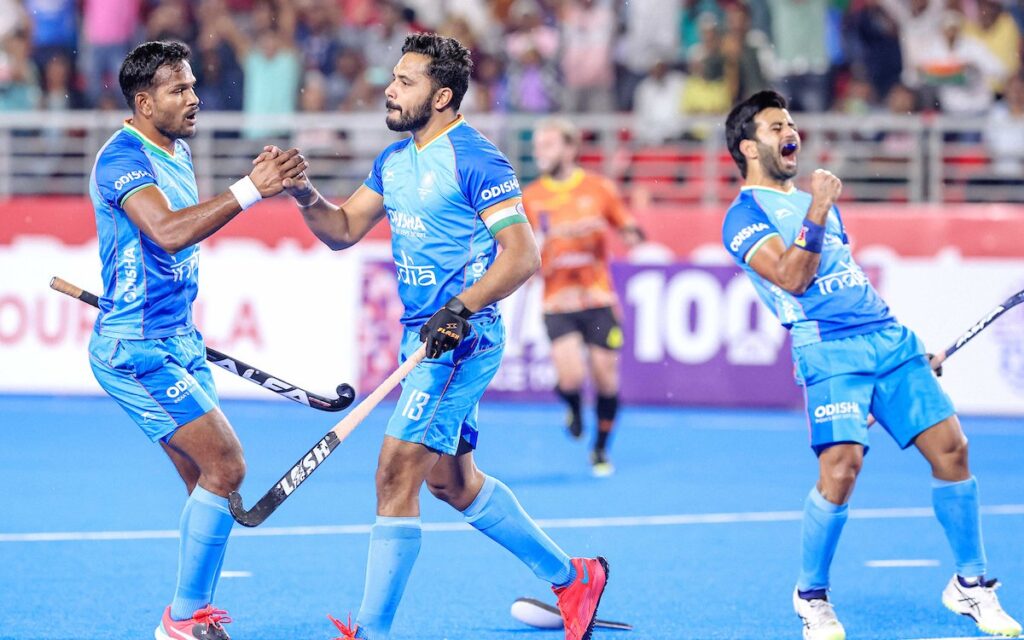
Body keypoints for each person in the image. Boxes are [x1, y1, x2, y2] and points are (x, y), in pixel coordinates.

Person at [257, 33, 609, 640]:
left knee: (396, 471)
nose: (390, 90)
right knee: (452, 482)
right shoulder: (394, 161)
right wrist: (303, 193)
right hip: (421, 338)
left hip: (461, 341)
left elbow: (522, 255)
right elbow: (342, 229)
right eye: (393, 78)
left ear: (442, 96)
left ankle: (371, 632)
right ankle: (574, 578)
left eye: (406, 81)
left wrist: (462, 306)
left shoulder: (476, 159)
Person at [721, 90, 1021, 640]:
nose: (790, 132)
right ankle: (811, 596)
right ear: (747, 147)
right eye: (775, 127)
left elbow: (846, 279)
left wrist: (907, 353)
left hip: (887, 337)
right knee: (841, 469)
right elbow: (792, 278)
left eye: (791, 123)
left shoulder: (819, 204)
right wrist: (817, 207)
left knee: (953, 450)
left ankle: (971, 584)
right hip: (828, 348)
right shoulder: (744, 217)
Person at [86, 41, 306, 640]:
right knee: (227, 465)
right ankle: (182, 620)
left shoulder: (178, 149)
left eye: (192, 86)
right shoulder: (120, 160)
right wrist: (250, 188)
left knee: (206, 482)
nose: (194, 98)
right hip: (134, 350)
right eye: (178, 89)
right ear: (143, 102)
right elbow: (167, 232)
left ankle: (190, 620)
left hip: (179, 339)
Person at [521, 117, 643, 476]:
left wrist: (631, 234)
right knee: (571, 378)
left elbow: (628, 227)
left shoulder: (599, 188)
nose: (540, 153)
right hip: (557, 301)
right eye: (537, 146)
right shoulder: (531, 197)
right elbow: (522, 248)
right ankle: (573, 406)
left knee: (606, 377)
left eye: (548, 145)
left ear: (570, 148)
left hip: (597, 299)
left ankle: (601, 448)